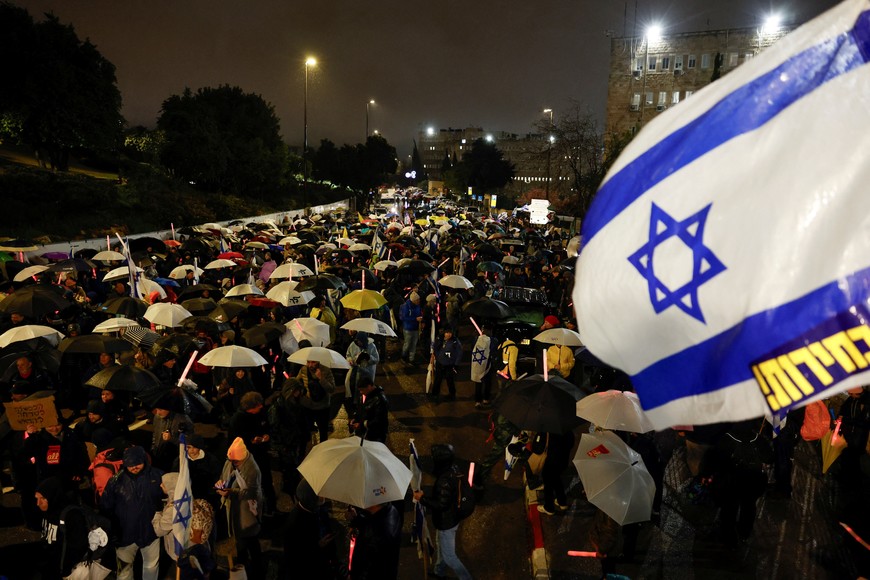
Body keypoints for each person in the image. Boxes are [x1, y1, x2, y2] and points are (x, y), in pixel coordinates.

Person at [100, 446, 165, 580]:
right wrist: (113, 530)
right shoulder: (115, 481)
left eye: (138, 463)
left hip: (151, 531)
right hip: (124, 534)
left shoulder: (158, 476)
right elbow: (106, 506)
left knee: (151, 567)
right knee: (124, 570)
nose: (134, 467)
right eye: (130, 464)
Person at [413, 444, 473, 580]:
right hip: (452, 517)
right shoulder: (454, 468)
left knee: (450, 557)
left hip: (447, 523)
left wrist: (422, 499)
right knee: (441, 545)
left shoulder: (444, 481)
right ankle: (439, 571)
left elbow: (441, 504)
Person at [34, 476, 101, 580]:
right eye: (36, 498)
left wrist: (66, 570)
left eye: (42, 498)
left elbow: (78, 547)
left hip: (65, 572)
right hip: (49, 568)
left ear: (53, 496)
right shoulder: (47, 512)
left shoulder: (71, 515)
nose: (38, 503)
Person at [216, 437, 264, 578]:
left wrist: (230, 492)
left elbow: (250, 492)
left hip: (247, 513)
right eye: (231, 461)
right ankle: (245, 566)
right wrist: (220, 483)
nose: (232, 464)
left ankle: (254, 571)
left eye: (236, 462)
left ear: (243, 458)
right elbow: (224, 476)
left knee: (249, 540)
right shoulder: (231, 461)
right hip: (235, 510)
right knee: (240, 539)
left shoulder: (252, 470)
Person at [229, 391, 275, 515]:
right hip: (248, 459)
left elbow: (267, 426)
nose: (261, 406)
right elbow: (234, 442)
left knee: (266, 481)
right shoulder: (237, 420)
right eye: (258, 405)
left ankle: (271, 508)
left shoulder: (261, 413)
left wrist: (266, 435)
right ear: (250, 407)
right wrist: (251, 441)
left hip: (261, 454)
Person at [281, 479, 337, 579]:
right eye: (319, 494)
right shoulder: (296, 522)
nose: (323, 496)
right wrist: (318, 545)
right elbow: (297, 555)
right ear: (311, 498)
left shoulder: (311, 509)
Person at [346, 500, 402, 580]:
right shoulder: (389, 511)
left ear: (374, 504)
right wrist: (356, 519)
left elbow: (370, 567)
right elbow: (370, 522)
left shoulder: (382, 533)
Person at [536, 430, 576, 516]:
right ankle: (562, 502)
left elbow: (538, 447)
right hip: (563, 462)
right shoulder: (569, 432)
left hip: (551, 462)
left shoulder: (549, 432)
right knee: (556, 480)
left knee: (548, 484)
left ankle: (549, 507)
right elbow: (571, 445)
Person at [297, 357, 336, 444]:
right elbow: (297, 381)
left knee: (323, 432)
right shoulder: (303, 369)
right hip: (307, 405)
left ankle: (322, 449)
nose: (310, 365)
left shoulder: (326, 370)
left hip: (322, 407)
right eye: (308, 362)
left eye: (313, 362)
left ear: (318, 361)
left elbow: (332, 389)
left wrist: (321, 378)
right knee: (306, 431)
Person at [151, 404, 194, 471]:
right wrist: (153, 449)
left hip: (175, 459)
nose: (158, 412)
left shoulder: (183, 419)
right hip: (159, 455)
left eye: (160, 409)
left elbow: (189, 442)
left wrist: (171, 439)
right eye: (157, 409)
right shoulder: (157, 417)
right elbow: (155, 435)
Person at [350, 378, 390, 443]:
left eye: (362, 390)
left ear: (369, 386)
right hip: (365, 432)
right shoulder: (364, 394)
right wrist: (355, 418)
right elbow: (360, 408)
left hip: (375, 434)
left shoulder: (380, 400)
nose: (361, 392)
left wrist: (361, 425)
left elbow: (379, 420)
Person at [430, 328, 463, 402]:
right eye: (447, 332)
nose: (448, 334)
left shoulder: (455, 341)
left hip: (449, 364)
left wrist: (456, 364)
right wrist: (434, 356)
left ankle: (452, 394)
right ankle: (435, 394)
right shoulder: (439, 339)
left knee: (450, 379)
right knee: (438, 379)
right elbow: (435, 347)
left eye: (450, 333)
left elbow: (460, 353)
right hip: (440, 363)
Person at [470, 326, 497, 409]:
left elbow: (472, 347)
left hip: (477, 364)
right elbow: (494, 350)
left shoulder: (476, 339)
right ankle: (486, 399)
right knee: (487, 382)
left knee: (478, 383)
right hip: (487, 364)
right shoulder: (493, 340)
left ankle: (478, 401)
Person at [399, 291, 423, 364]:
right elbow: (403, 318)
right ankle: (403, 356)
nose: (419, 301)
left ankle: (411, 359)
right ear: (414, 300)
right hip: (408, 329)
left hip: (415, 328)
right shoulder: (405, 307)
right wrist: (415, 319)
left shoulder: (417, 306)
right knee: (407, 344)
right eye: (417, 300)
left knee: (414, 344)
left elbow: (420, 313)